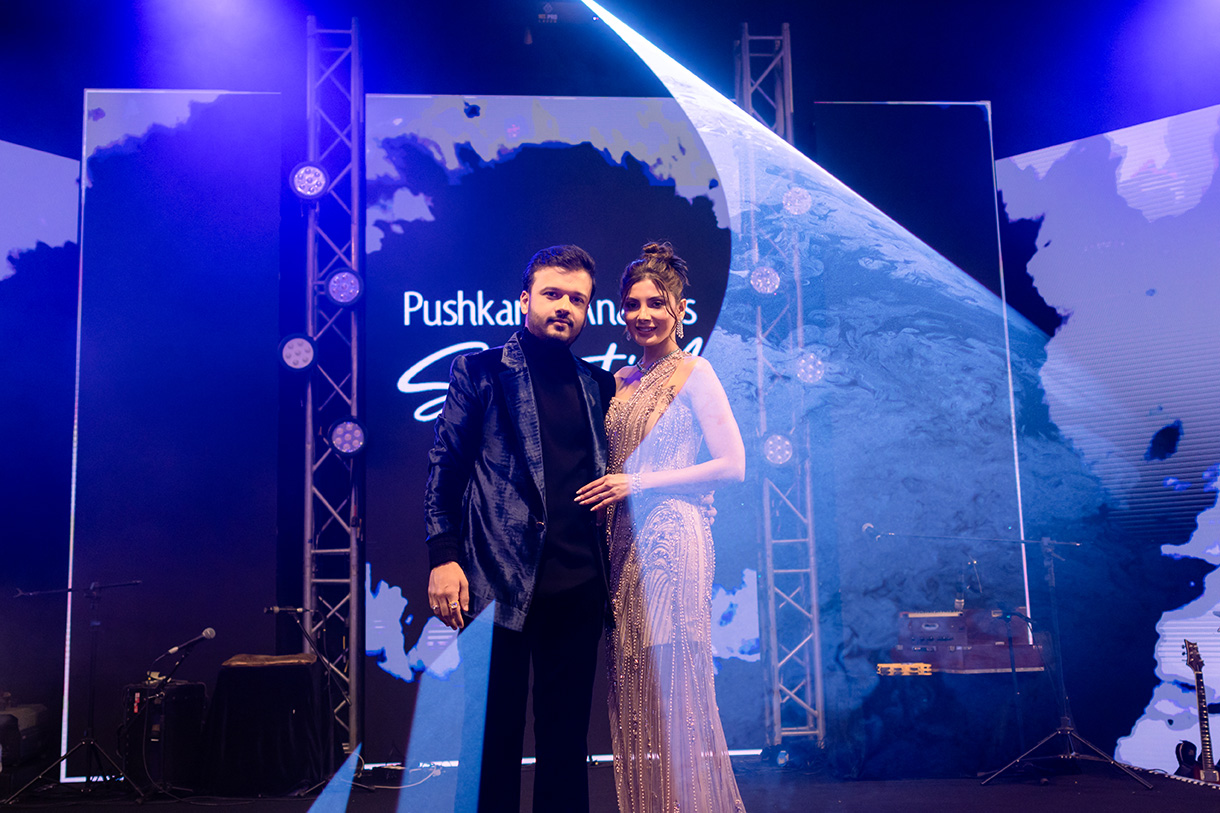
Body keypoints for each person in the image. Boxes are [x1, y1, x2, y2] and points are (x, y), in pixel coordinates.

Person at [423, 245, 616, 813]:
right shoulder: (481, 371)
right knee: (491, 745)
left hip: (578, 587)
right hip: (495, 583)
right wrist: (443, 555)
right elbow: (446, 466)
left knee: (566, 747)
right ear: (525, 299)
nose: (565, 307)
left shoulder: (598, 384)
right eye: (553, 294)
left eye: (577, 299)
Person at [576, 242, 748, 813]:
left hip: (674, 535)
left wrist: (639, 483)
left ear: (679, 309)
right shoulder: (621, 379)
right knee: (634, 688)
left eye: (656, 303)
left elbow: (732, 465)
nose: (643, 314)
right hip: (622, 543)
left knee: (677, 688)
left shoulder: (696, 372)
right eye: (632, 304)